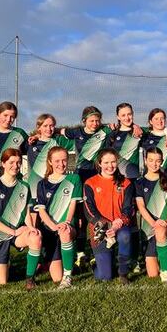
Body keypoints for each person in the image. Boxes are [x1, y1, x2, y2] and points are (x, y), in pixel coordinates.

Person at [0, 148, 42, 290]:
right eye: (11, 162)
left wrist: (32, 228)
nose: (15, 166)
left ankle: (30, 278)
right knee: (1, 282)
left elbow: (27, 214)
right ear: (3, 164)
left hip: (19, 232)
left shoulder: (24, 186)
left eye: (18, 162)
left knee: (35, 237)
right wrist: (13, 232)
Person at [62, 106, 112, 268]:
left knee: (96, 215)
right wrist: (35, 135)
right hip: (80, 177)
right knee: (81, 218)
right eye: (91, 120)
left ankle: (95, 252)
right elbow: (59, 131)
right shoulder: (76, 132)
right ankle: (80, 252)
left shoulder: (104, 131)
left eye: (97, 120)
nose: (95, 123)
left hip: (98, 178)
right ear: (84, 121)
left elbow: (123, 128)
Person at [33, 146, 82, 290]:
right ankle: (67, 264)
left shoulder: (74, 178)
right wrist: (53, 226)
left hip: (67, 226)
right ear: (50, 162)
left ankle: (68, 277)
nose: (61, 164)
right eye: (57, 161)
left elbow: (73, 204)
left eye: (64, 160)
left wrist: (66, 222)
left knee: (65, 232)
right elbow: (41, 211)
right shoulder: (42, 184)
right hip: (49, 229)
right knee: (55, 277)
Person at [83, 148, 134, 284]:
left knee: (125, 236)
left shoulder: (126, 183)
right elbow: (89, 210)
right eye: (106, 162)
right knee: (104, 276)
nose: (110, 166)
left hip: (119, 226)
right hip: (100, 228)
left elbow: (129, 208)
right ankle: (94, 263)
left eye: (113, 162)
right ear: (99, 163)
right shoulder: (90, 183)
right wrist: (105, 225)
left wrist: (119, 222)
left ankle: (123, 273)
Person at [135, 148, 167, 283]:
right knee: (152, 274)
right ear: (146, 161)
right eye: (151, 160)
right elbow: (141, 207)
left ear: (162, 162)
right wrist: (153, 223)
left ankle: (165, 273)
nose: (154, 164)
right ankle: (162, 255)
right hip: (149, 227)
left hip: (165, 225)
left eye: (158, 161)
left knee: (160, 231)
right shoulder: (139, 182)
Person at [26, 113, 75, 197]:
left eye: (51, 125)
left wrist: (59, 131)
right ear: (39, 127)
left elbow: (80, 141)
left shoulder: (59, 141)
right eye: (45, 126)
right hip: (34, 190)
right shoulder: (31, 142)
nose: (48, 128)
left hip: (55, 189)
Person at [108, 102, 145, 180]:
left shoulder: (140, 131)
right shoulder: (112, 133)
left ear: (133, 114)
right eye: (123, 115)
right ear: (118, 117)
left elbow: (156, 129)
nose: (127, 118)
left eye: (129, 114)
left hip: (135, 177)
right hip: (117, 177)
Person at [140, 108, 167, 177]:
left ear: (165, 121)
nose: (159, 121)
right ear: (150, 121)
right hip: (149, 176)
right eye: (156, 119)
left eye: (162, 118)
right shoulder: (145, 135)